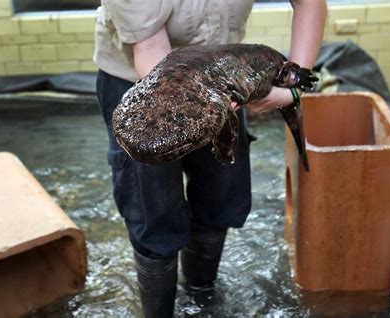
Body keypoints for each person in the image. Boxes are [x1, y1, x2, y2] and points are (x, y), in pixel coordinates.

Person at [93, 1, 327, 317]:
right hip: (145, 77)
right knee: (154, 209)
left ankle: (202, 296)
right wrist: (202, 109)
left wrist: (295, 86)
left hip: (225, 75)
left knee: (221, 195)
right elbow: (151, 50)